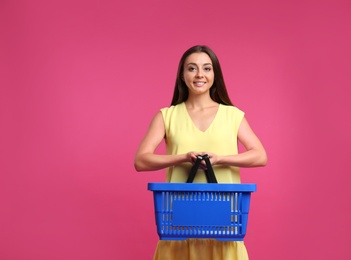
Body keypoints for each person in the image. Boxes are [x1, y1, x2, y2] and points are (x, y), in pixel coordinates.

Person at [134, 45, 267, 260]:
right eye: (192, 68)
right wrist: (183, 157)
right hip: (178, 227)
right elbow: (140, 161)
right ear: (182, 75)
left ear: (215, 74)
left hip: (224, 226)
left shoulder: (233, 115)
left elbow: (260, 155)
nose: (199, 75)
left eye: (206, 68)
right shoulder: (166, 116)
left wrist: (220, 159)